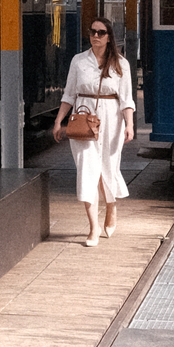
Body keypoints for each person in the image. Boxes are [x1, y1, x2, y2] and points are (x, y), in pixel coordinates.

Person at [52, 17, 135, 246]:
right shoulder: (78, 61)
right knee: (88, 170)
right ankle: (94, 228)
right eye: (92, 32)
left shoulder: (121, 64)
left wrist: (129, 124)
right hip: (83, 118)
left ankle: (111, 206)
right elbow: (69, 94)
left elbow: (126, 99)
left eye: (101, 32)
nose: (95, 36)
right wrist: (59, 121)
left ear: (109, 36)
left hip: (111, 119)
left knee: (108, 167)